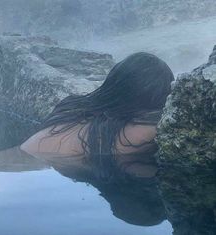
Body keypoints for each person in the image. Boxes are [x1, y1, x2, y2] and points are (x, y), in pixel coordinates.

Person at [19, 52, 174, 180]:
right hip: (36, 166)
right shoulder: (140, 131)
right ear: (155, 98)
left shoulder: (80, 110)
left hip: (23, 158)